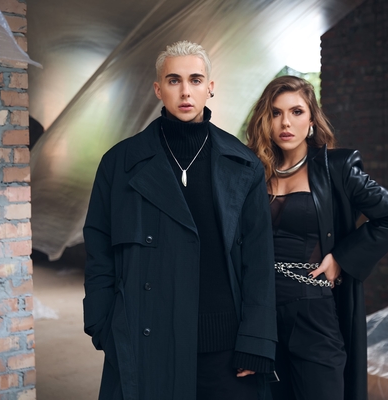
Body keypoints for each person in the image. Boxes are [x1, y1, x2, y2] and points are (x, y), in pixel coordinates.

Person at [82, 41, 277, 400]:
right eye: (174, 80)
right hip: (147, 336)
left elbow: (259, 261)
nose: (185, 91)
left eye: (195, 80)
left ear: (210, 87)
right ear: (158, 89)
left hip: (226, 345)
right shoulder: (119, 163)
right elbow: (98, 250)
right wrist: (102, 325)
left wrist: (257, 340)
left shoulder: (243, 164)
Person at [246, 75, 388, 400]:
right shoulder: (252, 172)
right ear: (265, 120)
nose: (285, 123)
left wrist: (341, 257)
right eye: (276, 113)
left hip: (312, 312)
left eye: (296, 112)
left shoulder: (336, 167)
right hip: (260, 314)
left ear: (312, 119)